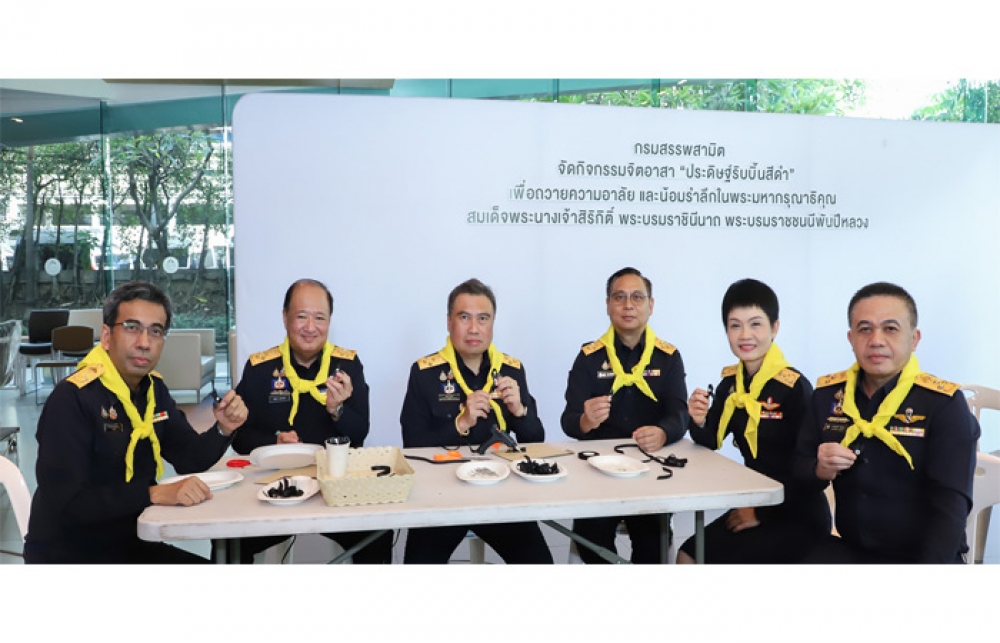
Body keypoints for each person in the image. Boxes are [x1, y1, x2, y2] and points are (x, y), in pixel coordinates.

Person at [24, 281, 248, 564]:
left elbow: (189, 458)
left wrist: (223, 427)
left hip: (132, 543)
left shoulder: (153, 391)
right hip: (70, 555)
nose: (144, 343)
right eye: (132, 327)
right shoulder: (73, 397)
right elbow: (68, 504)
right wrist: (151, 493)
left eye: (156, 331)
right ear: (107, 336)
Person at [795, 281, 980, 563]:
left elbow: (950, 509)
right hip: (853, 550)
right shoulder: (828, 396)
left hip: (924, 557)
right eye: (864, 329)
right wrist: (818, 469)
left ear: (914, 339)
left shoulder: (942, 404)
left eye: (890, 329)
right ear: (851, 338)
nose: (876, 340)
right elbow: (798, 469)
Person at [230, 278, 392, 564]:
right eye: (301, 316)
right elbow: (240, 438)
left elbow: (359, 434)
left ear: (329, 321)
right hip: (274, 488)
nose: (310, 327)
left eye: (319, 318)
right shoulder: (260, 368)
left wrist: (338, 410)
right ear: (285, 317)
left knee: (378, 533)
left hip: (334, 488)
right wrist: (273, 442)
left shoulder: (346, 365)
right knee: (229, 537)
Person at [399, 278, 553, 564]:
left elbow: (536, 440)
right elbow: (412, 443)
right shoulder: (425, 372)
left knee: (540, 563)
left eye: (483, 318)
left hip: (500, 491)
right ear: (449, 322)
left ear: (492, 323)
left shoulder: (511, 369)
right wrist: (461, 423)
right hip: (442, 495)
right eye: (464, 317)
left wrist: (519, 410)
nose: (473, 328)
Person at [677, 278, 830, 563]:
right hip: (756, 501)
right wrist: (698, 420)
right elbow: (710, 439)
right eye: (735, 325)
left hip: (797, 512)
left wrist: (761, 512)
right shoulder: (730, 384)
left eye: (755, 324)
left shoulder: (794, 387)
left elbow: (810, 472)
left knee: (707, 559)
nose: (745, 335)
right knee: (687, 554)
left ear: (775, 328)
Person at [560, 266, 689, 563]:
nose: (628, 305)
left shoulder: (667, 357)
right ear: (608, 305)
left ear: (650, 305)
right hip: (598, 470)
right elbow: (568, 420)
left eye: (637, 297)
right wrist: (585, 421)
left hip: (649, 469)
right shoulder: (589, 357)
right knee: (590, 541)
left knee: (653, 545)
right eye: (619, 297)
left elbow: (680, 414)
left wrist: (663, 433)